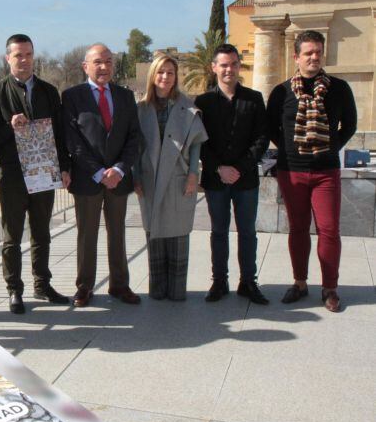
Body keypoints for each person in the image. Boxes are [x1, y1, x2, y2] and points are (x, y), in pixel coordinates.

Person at [267, 30, 357, 312]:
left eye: (318, 51)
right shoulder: (281, 92)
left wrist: (330, 147)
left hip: (325, 172)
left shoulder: (339, 88)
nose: (314, 57)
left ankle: (330, 287)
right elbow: (271, 127)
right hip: (291, 172)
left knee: (329, 230)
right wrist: (289, 151)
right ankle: (300, 282)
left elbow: (350, 125)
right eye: (308, 52)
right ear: (296, 57)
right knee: (297, 229)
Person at [0, 34, 71, 314]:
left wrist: (65, 167)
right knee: (12, 236)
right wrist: (9, 126)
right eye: (18, 55)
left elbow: (60, 133)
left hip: (44, 171)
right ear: (7, 58)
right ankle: (13, 289)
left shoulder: (48, 91)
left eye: (28, 54)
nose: (24, 60)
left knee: (42, 232)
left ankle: (42, 285)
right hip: (12, 174)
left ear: (34, 57)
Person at [61, 44, 142, 307]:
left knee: (117, 233)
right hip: (88, 180)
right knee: (87, 235)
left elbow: (134, 138)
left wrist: (119, 169)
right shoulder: (72, 97)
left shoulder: (125, 96)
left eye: (108, 61)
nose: (104, 67)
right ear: (86, 66)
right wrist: (98, 172)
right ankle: (84, 287)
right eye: (98, 62)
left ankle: (119, 285)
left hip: (118, 179)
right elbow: (72, 141)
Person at [195, 44, 270, 304]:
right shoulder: (202, 102)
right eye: (224, 65)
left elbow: (262, 138)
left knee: (248, 232)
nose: (229, 69)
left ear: (239, 66)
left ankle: (248, 282)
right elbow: (200, 141)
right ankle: (219, 281)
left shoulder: (254, 98)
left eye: (234, 64)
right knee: (218, 231)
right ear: (214, 67)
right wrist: (219, 168)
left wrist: (239, 168)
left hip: (245, 179)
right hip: (216, 180)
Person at [135, 54, 207, 301]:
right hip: (149, 178)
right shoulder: (141, 108)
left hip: (178, 177)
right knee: (154, 231)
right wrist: (135, 177)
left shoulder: (187, 106)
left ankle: (176, 292)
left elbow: (197, 144)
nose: (165, 77)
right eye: (160, 72)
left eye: (170, 73)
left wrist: (193, 175)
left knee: (177, 234)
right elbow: (134, 147)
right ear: (153, 75)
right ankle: (157, 290)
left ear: (176, 77)